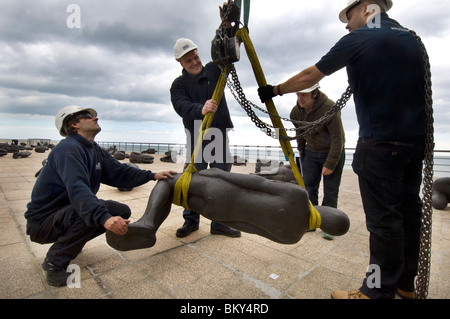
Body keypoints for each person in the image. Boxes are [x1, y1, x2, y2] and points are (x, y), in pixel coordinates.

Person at [258, 0, 427, 299]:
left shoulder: (360, 38)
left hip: (380, 146)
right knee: (408, 213)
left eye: (348, 17)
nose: (347, 25)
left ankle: (375, 291)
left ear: (366, 8)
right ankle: (405, 283)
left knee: (383, 222)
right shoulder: (411, 39)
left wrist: (274, 90)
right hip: (414, 145)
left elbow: (312, 76)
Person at [24, 105, 177, 286]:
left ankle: (70, 243)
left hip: (67, 212)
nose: (95, 118)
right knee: (99, 213)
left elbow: (119, 172)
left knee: (120, 210)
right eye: (88, 116)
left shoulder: (92, 148)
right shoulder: (67, 150)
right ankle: (54, 263)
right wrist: (104, 218)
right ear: (74, 124)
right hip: (43, 222)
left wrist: (152, 175)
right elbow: (78, 189)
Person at [106, 168, 350, 251]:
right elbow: (249, 228)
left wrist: (217, 173)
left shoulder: (299, 196)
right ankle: (148, 228)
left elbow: (254, 182)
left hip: (224, 190)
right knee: (175, 196)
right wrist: (220, 218)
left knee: (168, 182)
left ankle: (148, 223)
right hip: (221, 213)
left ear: (328, 212)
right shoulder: (291, 238)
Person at [170, 38, 241, 238]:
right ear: (180, 63)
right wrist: (200, 108)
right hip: (196, 135)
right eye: (188, 60)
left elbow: (226, 52)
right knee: (191, 180)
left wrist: (227, 25)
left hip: (218, 133)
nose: (194, 62)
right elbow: (181, 106)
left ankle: (219, 223)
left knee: (222, 181)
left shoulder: (213, 70)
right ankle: (190, 221)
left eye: (196, 57)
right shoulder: (178, 85)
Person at [290, 83, 346, 240]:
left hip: (332, 152)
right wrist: (302, 154)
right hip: (311, 153)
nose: (300, 98)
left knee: (331, 190)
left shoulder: (330, 107)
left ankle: (328, 224)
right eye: (298, 95)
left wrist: (331, 162)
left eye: (304, 95)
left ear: (314, 94)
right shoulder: (295, 112)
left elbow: (338, 138)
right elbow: (299, 134)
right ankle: (312, 221)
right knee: (309, 188)